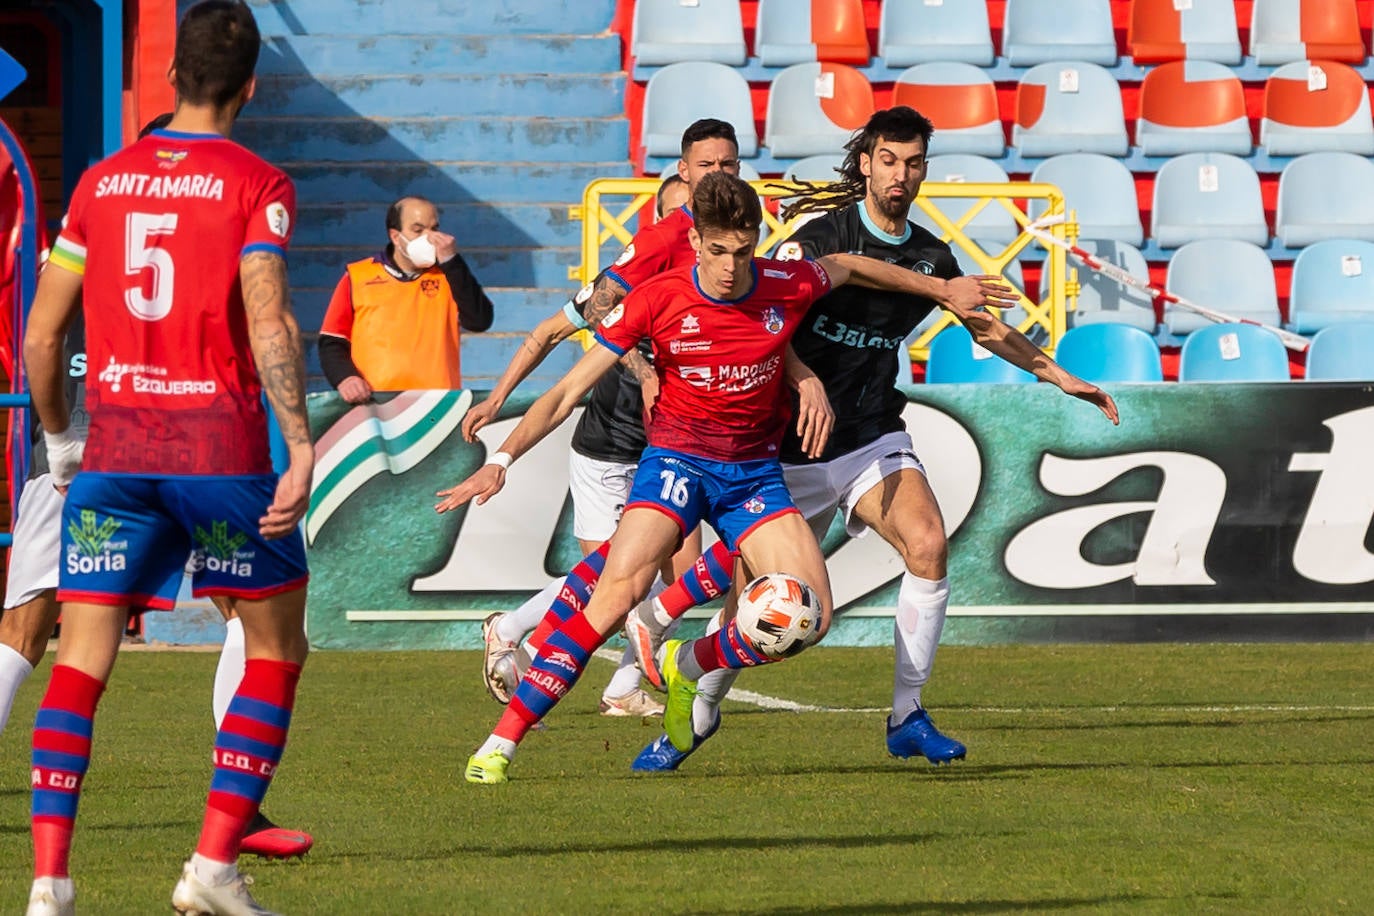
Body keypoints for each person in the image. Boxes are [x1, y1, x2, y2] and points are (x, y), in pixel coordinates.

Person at [437, 170, 1019, 784]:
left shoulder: (783, 282)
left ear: (756, 241)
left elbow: (850, 265)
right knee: (611, 599)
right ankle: (499, 746)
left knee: (810, 618)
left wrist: (942, 288)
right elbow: (564, 393)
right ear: (696, 243)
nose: (729, 266)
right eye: (717, 251)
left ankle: (689, 662)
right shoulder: (656, 298)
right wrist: (500, 460)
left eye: (742, 251)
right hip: (676, 466)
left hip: (753, 476)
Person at [626, 106, 1121, 772]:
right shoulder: (818, 239)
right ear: (865, 162)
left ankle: (907, 715)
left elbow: (984, 327)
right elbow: (754, 309)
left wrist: (1059, 375)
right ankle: (697, 698)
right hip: (786, 451)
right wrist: (797, 379)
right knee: (760, 610)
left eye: (914, 163)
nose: (901, 175)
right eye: (888, 160)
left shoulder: (931, 257)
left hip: (869, 436)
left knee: (927, 542)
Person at [20, 2, 313, 913]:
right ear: (251, 86)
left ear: (175, 77)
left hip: (116, 452)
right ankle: (212, 868)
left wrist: (63, 436)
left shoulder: (101, 184)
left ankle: (48, 886)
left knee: (80, 663)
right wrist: (299, 443)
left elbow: (40, 336)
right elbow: (267, 316)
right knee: (274, 645)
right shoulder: (258, 184)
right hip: (217, 451)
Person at [461, 121, 754, 718]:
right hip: (612, 440)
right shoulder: (651, 250)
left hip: (673, 441)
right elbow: (572, 323)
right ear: (681, 174)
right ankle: (517, 630)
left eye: (729, 164)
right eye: (706, 166)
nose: (718, 175)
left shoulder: (735, 247)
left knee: (669, 571)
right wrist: (502, 406)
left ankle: (618, 685)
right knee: (616, 579)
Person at [318, 195, 493, 403]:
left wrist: (452, 261)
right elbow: (332, 340)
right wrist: (345, 378)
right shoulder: (357, 276)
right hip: (373, 405)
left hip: (437, 404)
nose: (428, 238)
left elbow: (479, 320)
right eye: (418, 230)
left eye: (434, 229)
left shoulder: (450, 275)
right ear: (395, 236)